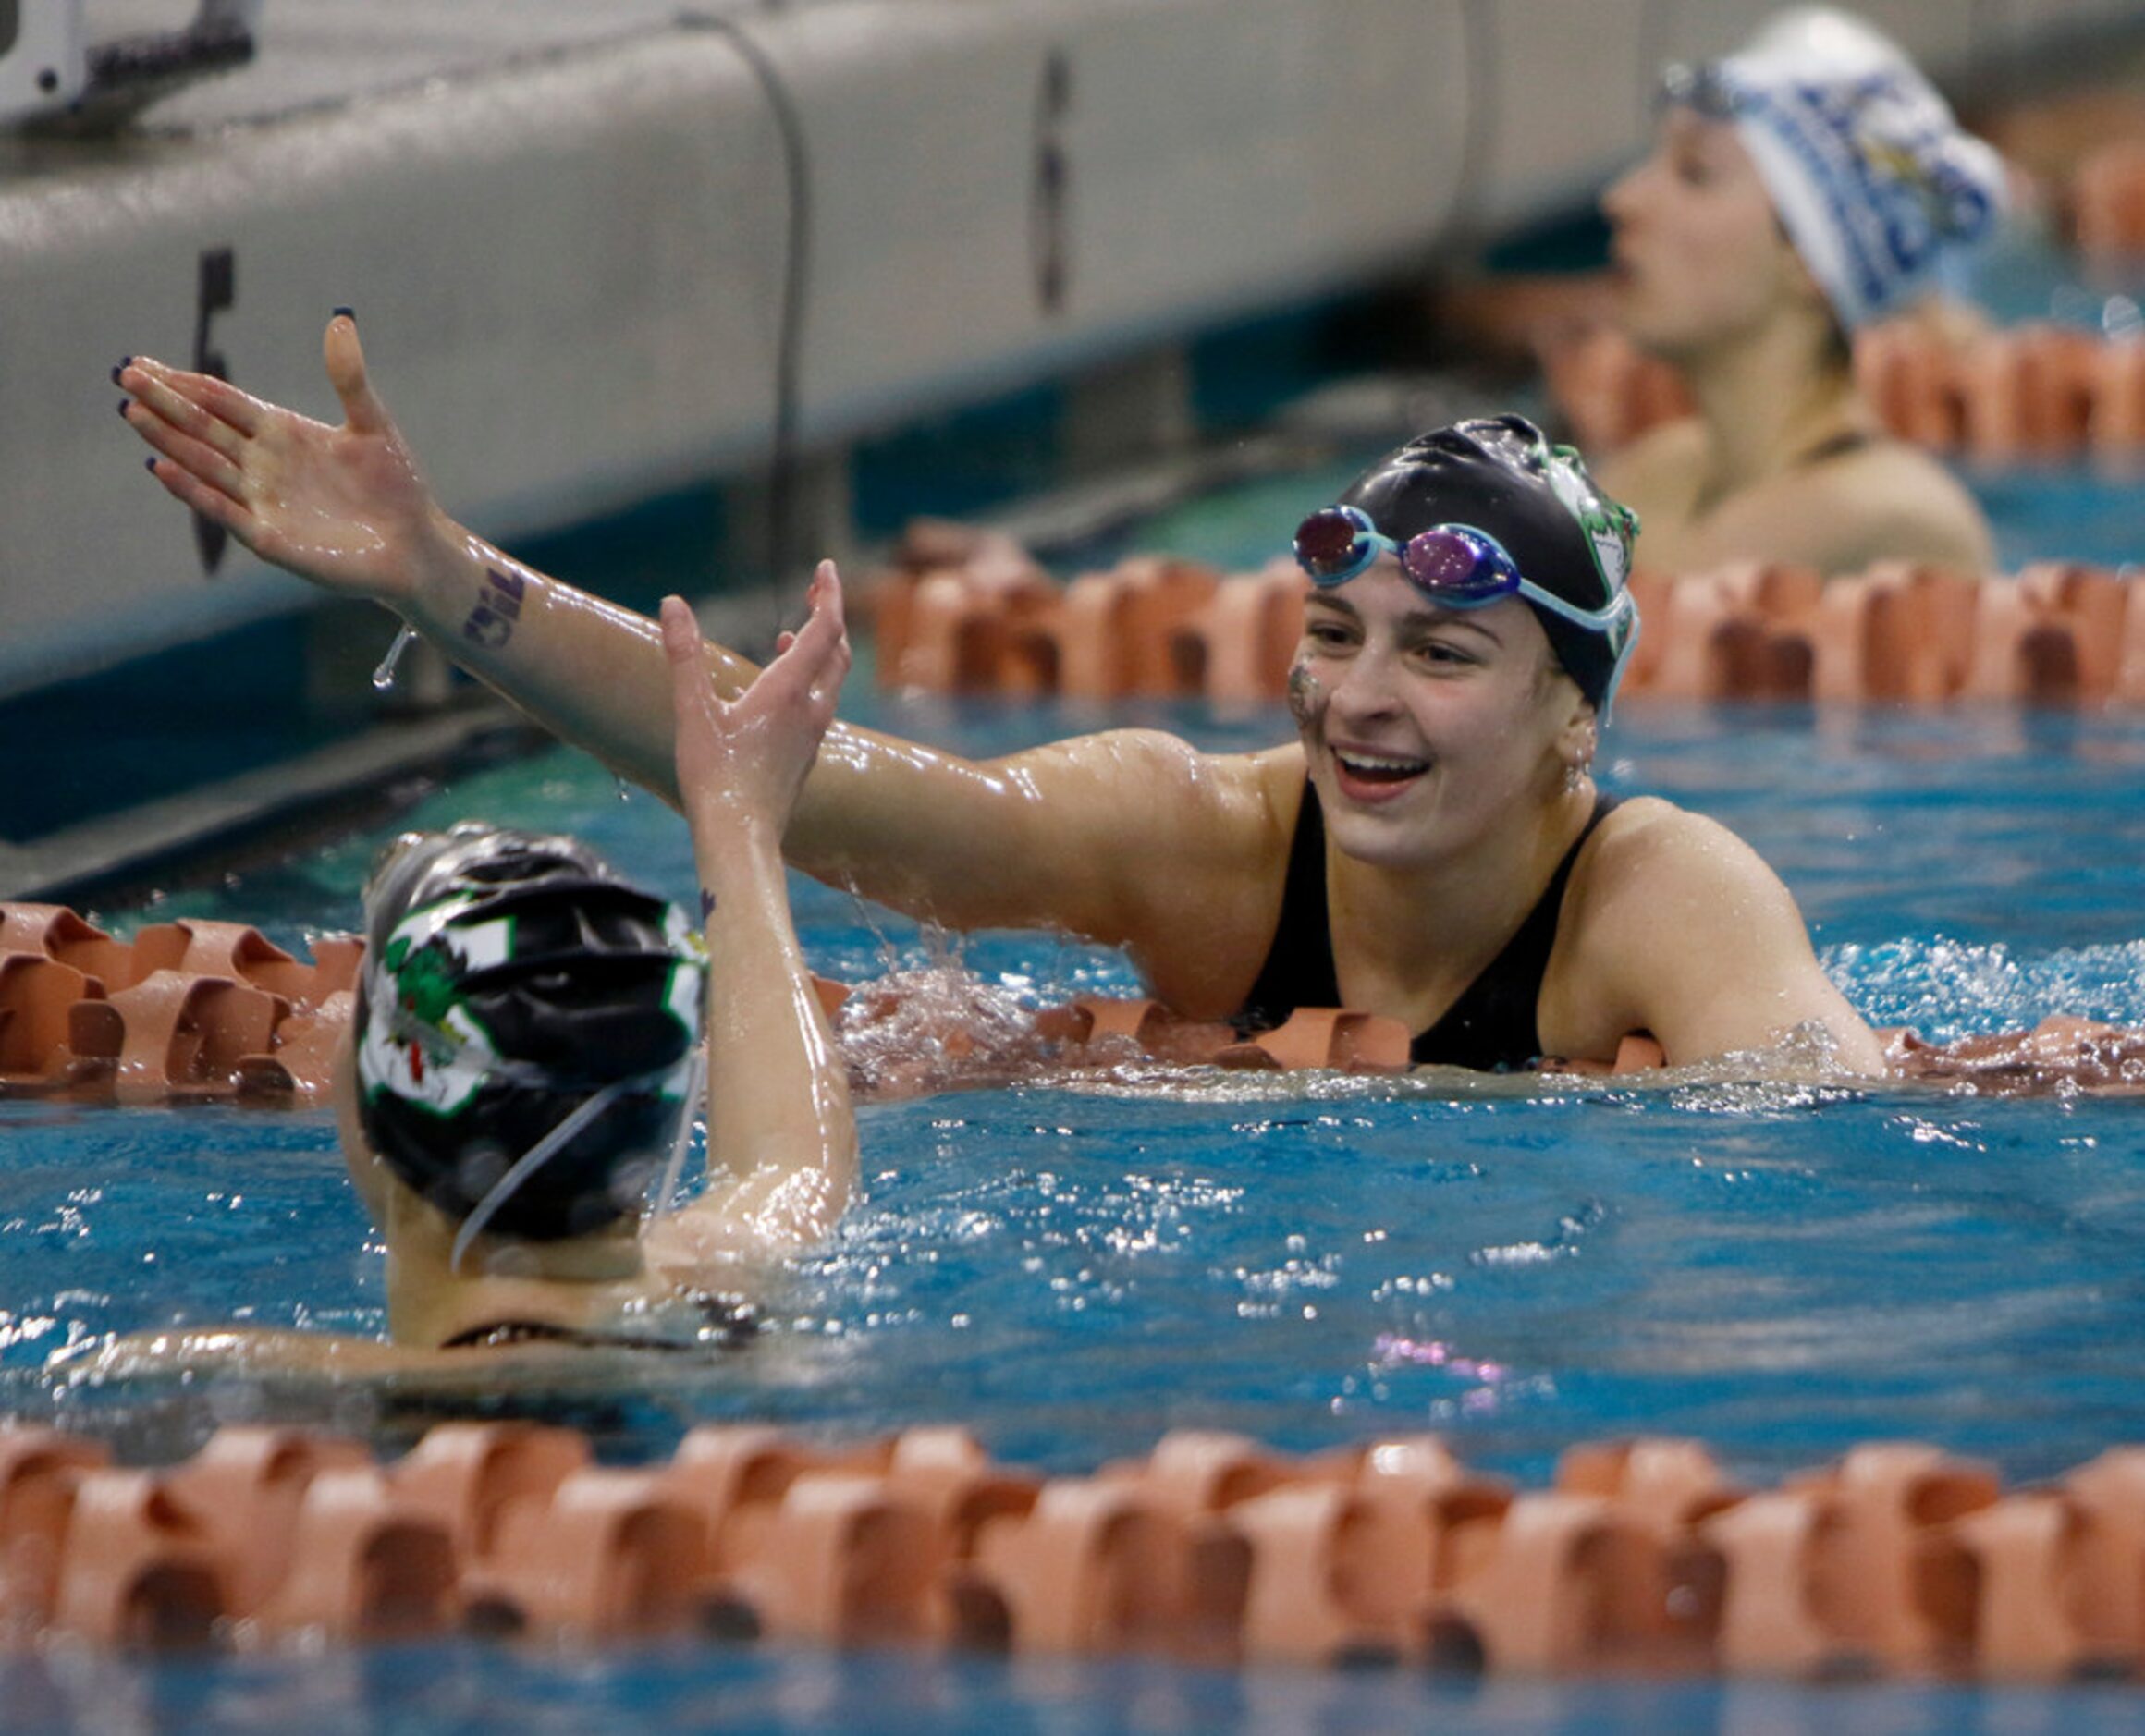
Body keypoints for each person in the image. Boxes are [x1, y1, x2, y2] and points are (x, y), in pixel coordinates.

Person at [115, 321, 1884, 1077]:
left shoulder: (1663, 893)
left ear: (1577, 715)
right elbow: (817, 779)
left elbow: (1824, 1108)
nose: (1356, 695)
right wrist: (449, 577)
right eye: (1335, 634)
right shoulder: (1202, 836)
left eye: (1441, 653)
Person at [60, 570, 858, 1375]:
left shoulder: (226, 1382)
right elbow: (785, 1162)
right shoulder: (725, 1293)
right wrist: (738, 820)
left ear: (384, 1111)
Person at [1594, 6, 2006, 577]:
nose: (1623, 199)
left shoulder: (1895, 514)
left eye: (1695, 173)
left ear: (1806, 263)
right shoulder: (1655, 471)